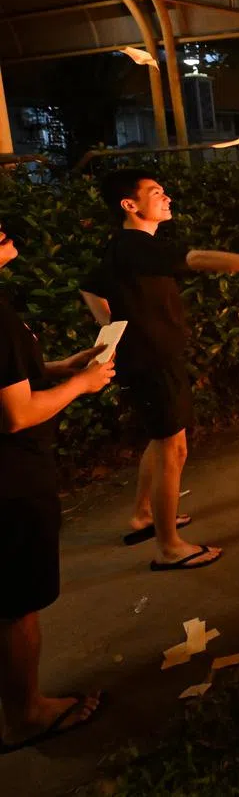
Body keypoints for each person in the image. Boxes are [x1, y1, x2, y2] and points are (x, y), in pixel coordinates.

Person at [80, 170, 239, 573]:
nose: (167, 197)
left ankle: (143, 515)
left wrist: (113, 326)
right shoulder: (135, 245)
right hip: (154, 361)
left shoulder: (121, 247)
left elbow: (89, 285)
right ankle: (169, 547)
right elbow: (199, 259)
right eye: (156, 192)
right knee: (173, 449)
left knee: (162, 442)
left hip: (153, 356)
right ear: (130, 205)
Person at [0, 219, 116, 754]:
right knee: (17, 604)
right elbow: (16, 414)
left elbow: (11, 379)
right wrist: (81, 384)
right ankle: (27, 714)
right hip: (12, 480)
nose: (4, 230)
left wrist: (57, 367)